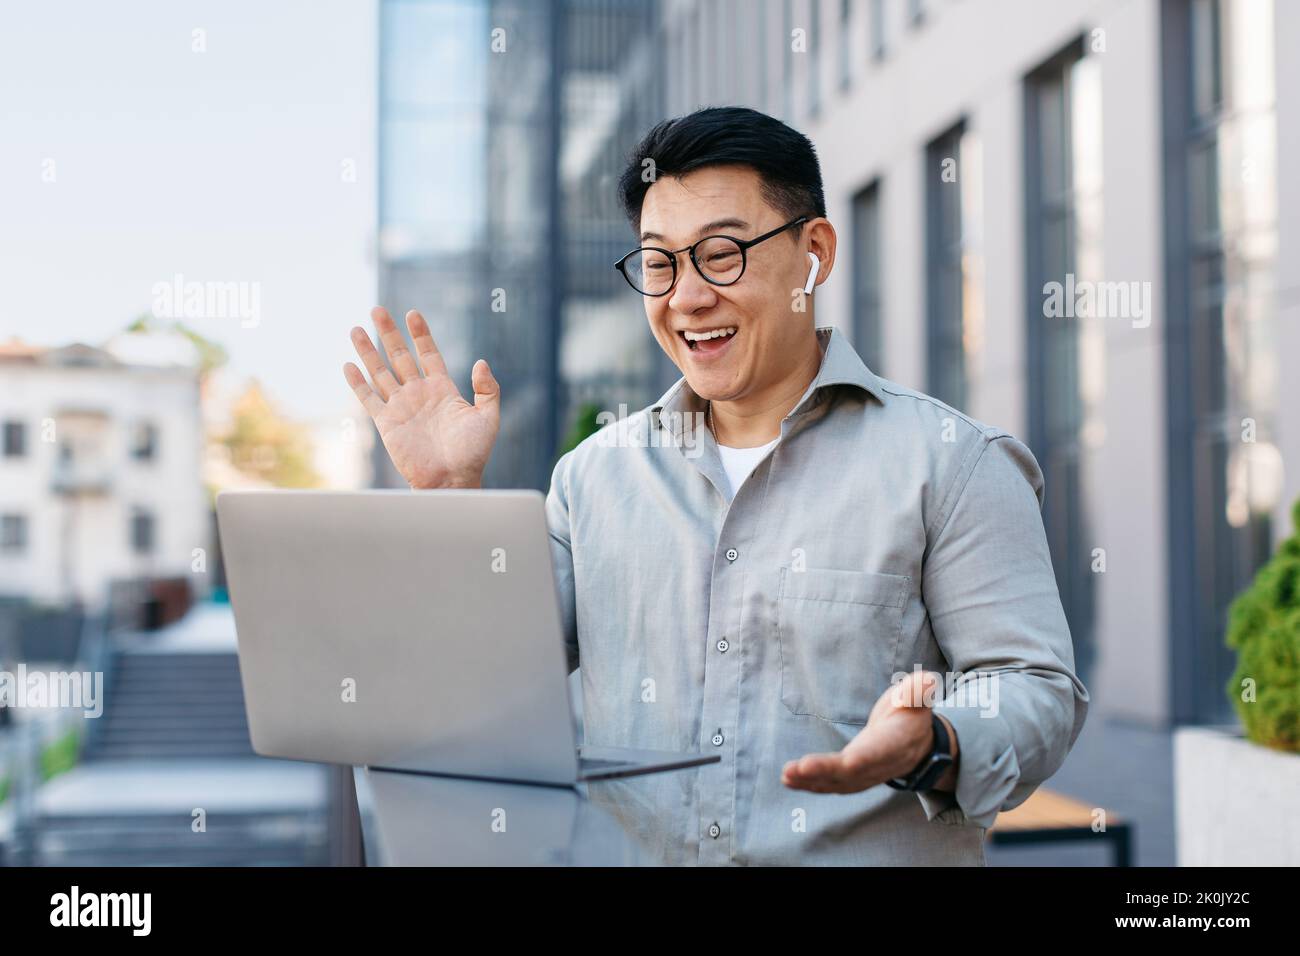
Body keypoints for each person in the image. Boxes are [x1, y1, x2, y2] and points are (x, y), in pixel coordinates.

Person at [343, 106, 1089, 865]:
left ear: (814, 253)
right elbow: (492, 678)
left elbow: (1036, 692)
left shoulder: (953, 464)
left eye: (722, 254)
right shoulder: (592, 479)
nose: (687, 297)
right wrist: (449, 499)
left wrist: (936, 743)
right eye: (660, 263)